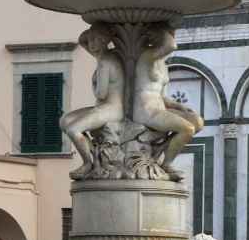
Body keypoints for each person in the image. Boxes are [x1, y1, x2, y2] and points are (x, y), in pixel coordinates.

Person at [133, 23, 203, 181]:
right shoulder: (147, 56)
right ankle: (166, 164)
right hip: (146, 110)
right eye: (168, 35)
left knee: (197, 122)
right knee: (187, 129)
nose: (171, 38)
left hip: (159, 108)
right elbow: (171, 45)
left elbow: (162, 96)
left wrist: (181, 107)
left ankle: (160, 148)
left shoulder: (162, 65)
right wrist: (165, 30)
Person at [59, 25, 125, 179]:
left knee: (73, 130)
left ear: (103, 41)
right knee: (65, 120)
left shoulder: (104, 62)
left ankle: (88, 163)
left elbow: (101, 94)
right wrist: (91, 34)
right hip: (105, 107)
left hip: (111, 109)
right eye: (90, 40)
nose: (91, 44)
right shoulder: (106, 56)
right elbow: (81, 40)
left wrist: (94, 84)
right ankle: (92, 153)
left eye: (95, 40)